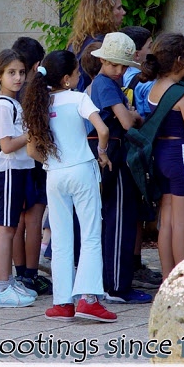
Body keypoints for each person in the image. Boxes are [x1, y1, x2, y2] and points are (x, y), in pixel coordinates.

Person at [23, 50, 117, 323]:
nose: (79, 77)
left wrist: (53, 161)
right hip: (82, 170)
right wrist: (101, 152)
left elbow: (31, 151)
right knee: (89, 234)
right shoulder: (79, 98)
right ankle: (89, 300)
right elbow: (103, 130)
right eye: (76, 73)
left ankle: (62, 303)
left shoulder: (39, 104)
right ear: (66, 79)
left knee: (60, 238)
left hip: (55, 174)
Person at [86, 32, 152, 304]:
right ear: (102, 61)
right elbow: (126, 122)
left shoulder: (103, 82)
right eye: (113, 64)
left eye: (122, 65)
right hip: (114, 154)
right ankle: (116, 286)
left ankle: (113, 282)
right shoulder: (106, 85)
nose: (119, 70)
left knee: (117, 218)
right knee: (118, 220)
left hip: (112, 153)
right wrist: (135, 115)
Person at [140, 33, 184, 280]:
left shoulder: (154, 88)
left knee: (166, 222)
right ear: (181, 60)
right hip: (181, 156)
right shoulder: (183, 94)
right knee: (182, 223)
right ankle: (183, 280)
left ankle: (168, 277)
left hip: (160, 155)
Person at [0, 49, 39, 308]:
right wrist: (32, 136)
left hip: (17, 171)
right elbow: (7, 145)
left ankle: (8, 283)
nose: (18, 78)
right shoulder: (3, 106)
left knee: (10, 228)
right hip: (7, 170)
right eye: (11, 73)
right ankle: (1, 287)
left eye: (20, 72)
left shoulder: (12, 103)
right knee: (5, 230)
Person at [119, 26, 161, 289]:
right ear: (137, 53)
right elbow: (149, 115)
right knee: (138, 211)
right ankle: (133, 265)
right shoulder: (144, 82)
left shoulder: (119, 77)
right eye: (149, 46)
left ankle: (130, 263)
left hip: (122, 149)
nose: (151, 51)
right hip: (140, 149)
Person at [10, 37, 52, 295]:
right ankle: (31, 275)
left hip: (14, 164)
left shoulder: (8, 90)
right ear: (37, 65)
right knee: (34, 220)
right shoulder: (37, 91)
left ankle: (20, 273)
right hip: (34, 162)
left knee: (17, 222)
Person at [66, 0, 126, 92]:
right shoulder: (103, 45)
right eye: (119, 8)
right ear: (105, 12)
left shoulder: (77, 42)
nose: (123, 12)